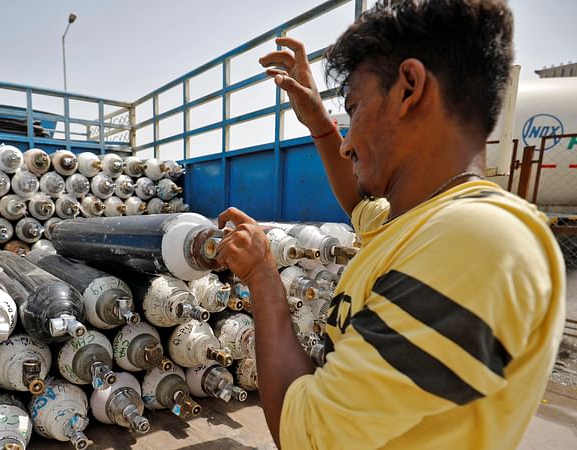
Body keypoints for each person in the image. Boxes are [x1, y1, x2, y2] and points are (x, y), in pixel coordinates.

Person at [215, 1, 566, 449]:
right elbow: (358, 203)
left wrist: (263, 277)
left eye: (355, 107)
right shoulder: (417, 222)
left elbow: (309, 434)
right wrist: (321, 123)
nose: (346, 148)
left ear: (409, 88)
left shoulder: (476, 241)